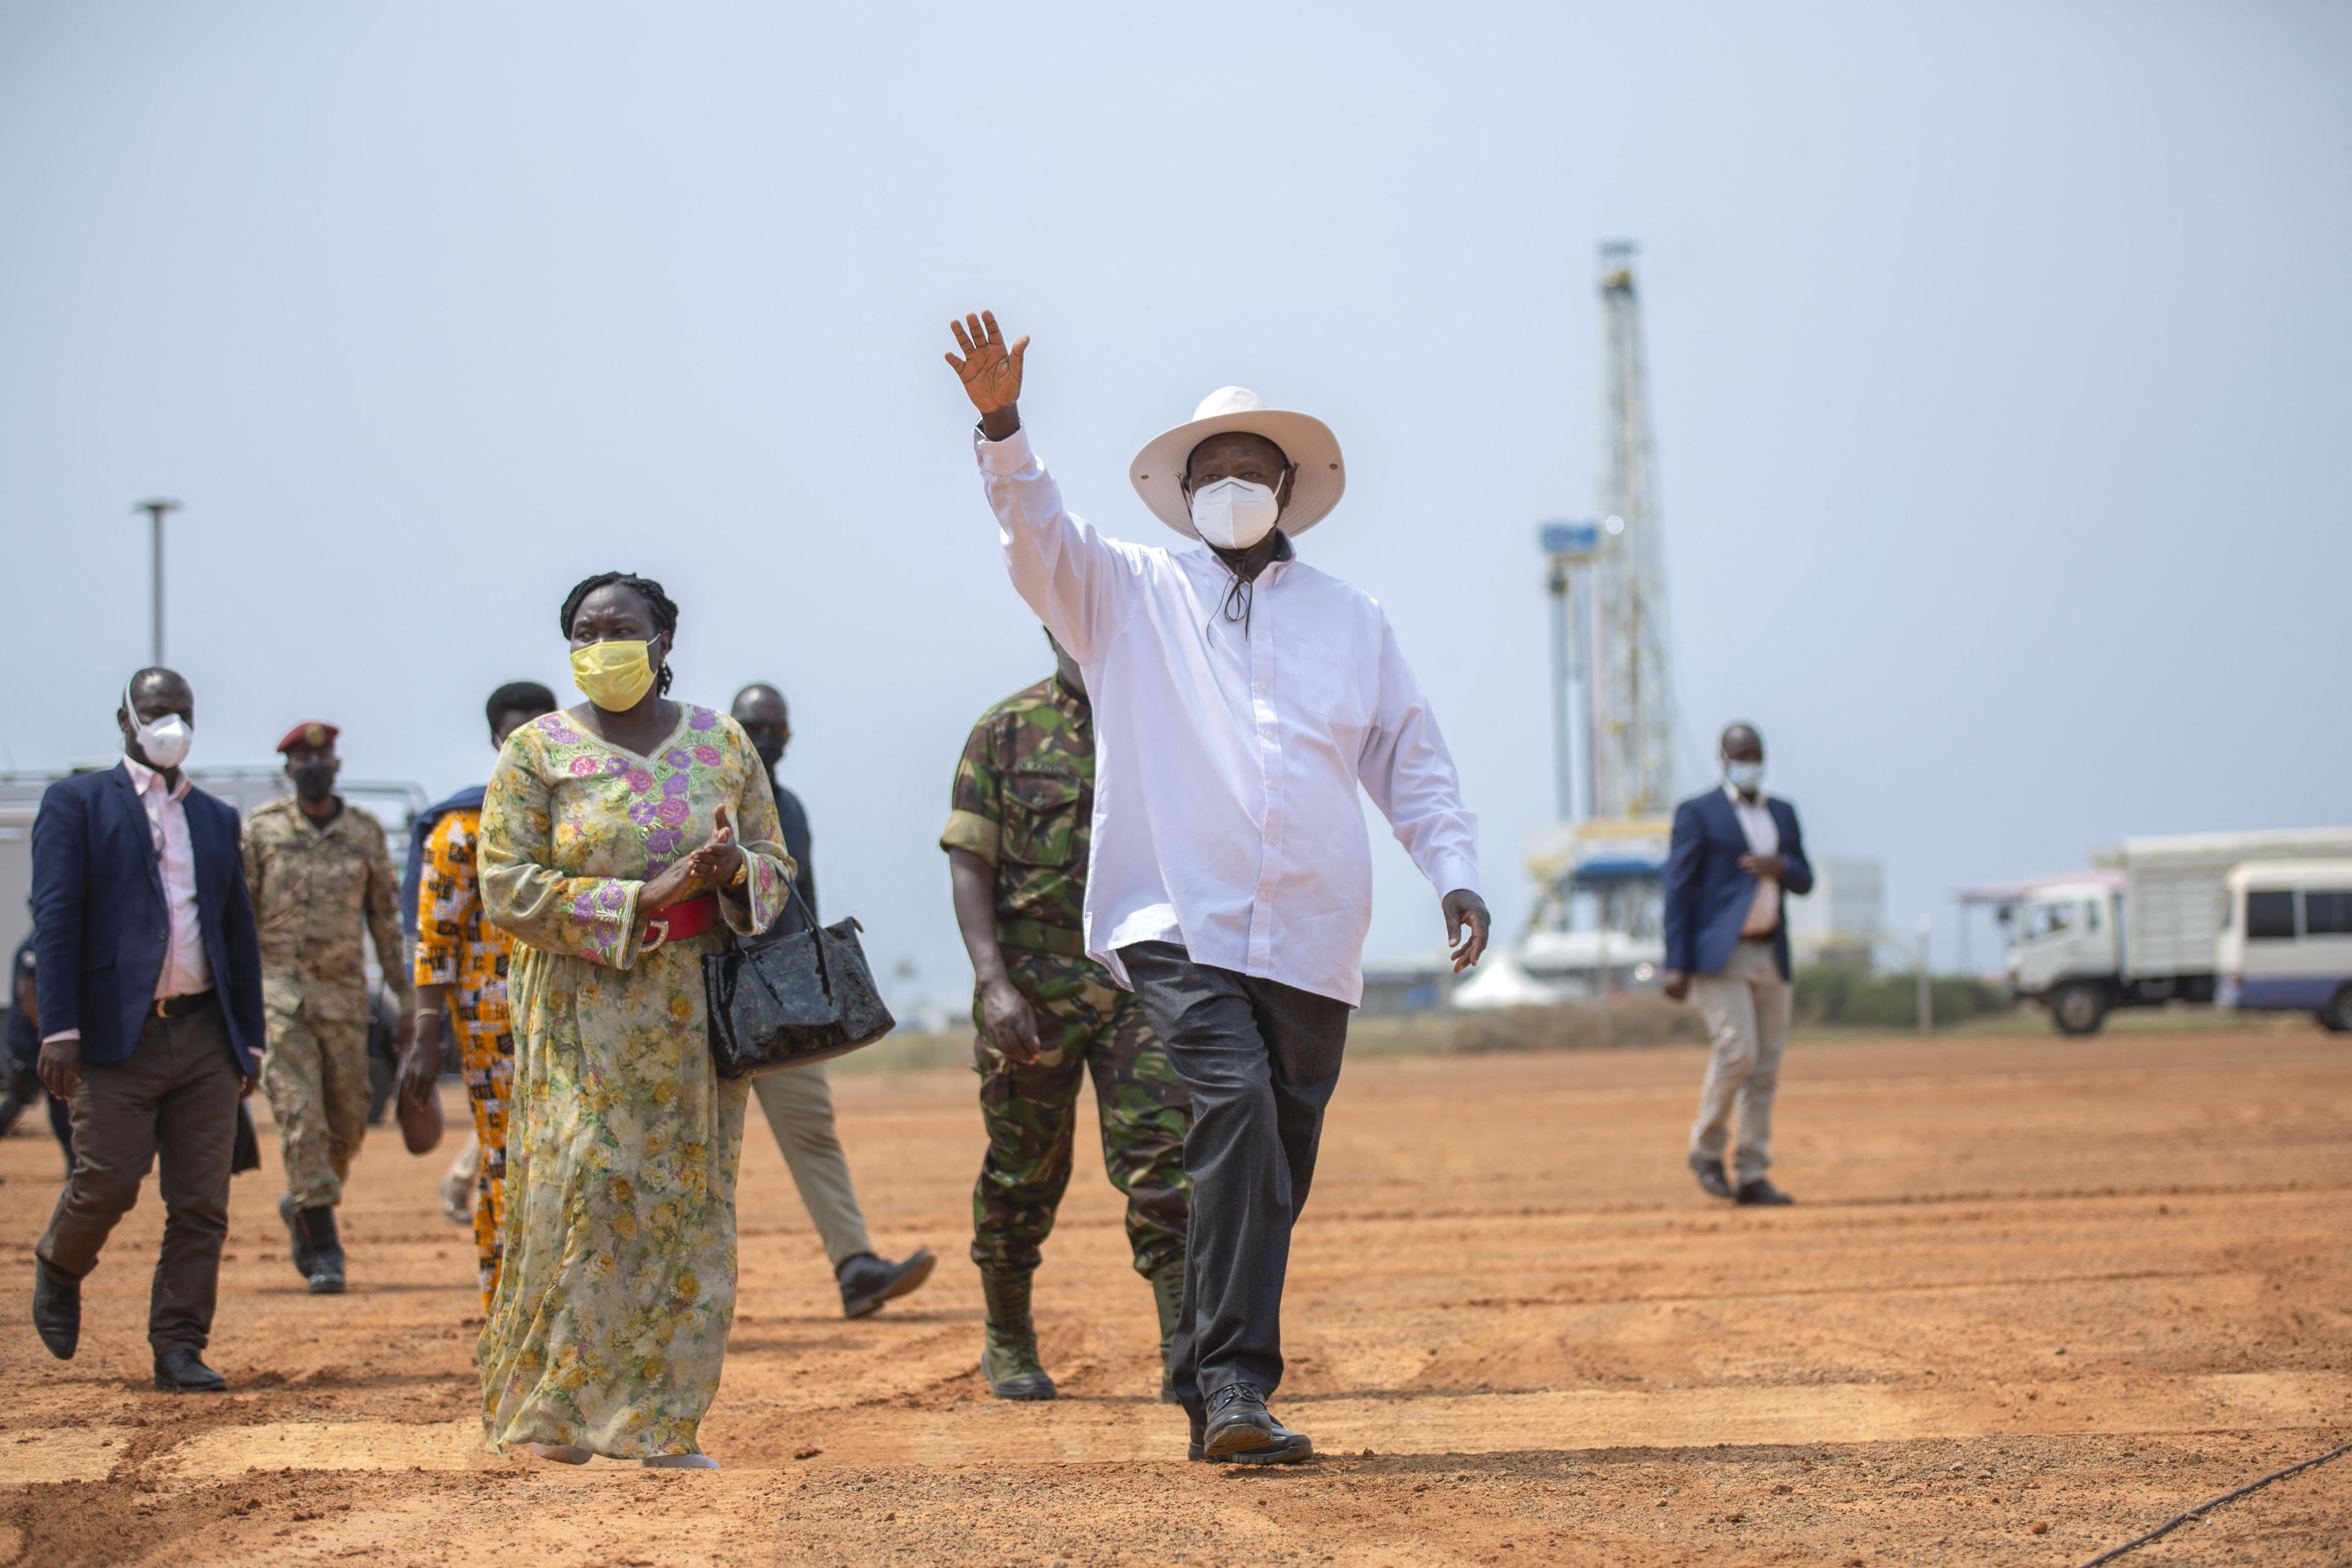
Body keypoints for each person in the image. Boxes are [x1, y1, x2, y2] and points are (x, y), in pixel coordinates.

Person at [944, 312, 1490, 1465]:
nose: (1231, 484)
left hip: (1312, 932)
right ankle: (1235, 1386)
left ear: (1286, 488)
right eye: (1211, 471)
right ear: (1181, 493)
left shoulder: (1352, 621)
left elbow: (1409, 756)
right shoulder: (1128, 596)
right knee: (1232, 1109)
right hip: (1172, 920)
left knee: (1273, 1165)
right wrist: (1003, 428)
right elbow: (1037, 539)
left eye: (1250, 469)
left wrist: (1451, 872)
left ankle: (1205, 1364)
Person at [476, 571, 794, 1470]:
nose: (602, 642)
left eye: (622, 627)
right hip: (580, 1010)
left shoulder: (721, 742)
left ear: (663, 640)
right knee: (584, 1188)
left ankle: (660, 1422)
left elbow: (778, 865)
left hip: (692, 1013)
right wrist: (641, 895)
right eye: (585, 629)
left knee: (686, 1209)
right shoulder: (537, 752)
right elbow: (507, 883)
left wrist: (735, 871)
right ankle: (554, 1415)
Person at [942, 628, 1191, 1402]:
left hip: (1142, 979)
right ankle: (1008, 1335)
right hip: (1032, 983)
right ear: (1051, 627)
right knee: (1025, 1168)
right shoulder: (1004, 729)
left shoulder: (1170, 725)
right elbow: (969, 862)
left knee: (1167, 1164)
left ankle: (1186, 1352)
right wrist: (993, 982)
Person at [27, 668, 265, 1392]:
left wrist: (248, 1038)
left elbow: (236, 933)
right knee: (108, 1181)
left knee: (201, 1202)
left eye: (184, 713)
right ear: (127, 718)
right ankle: (60, 1264)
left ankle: (179, 1345)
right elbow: (57, 920)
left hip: (202, 1037)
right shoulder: (77, 805)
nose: (173, 726)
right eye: (159, 712)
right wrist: (58, 1026)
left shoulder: (218, 818)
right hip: (110, 1039)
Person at [730, 682, 936, 1319]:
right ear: (730, 729)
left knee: (813, 1132)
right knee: (684, 1143)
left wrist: (816, 976)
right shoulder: (704, 796)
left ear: (787, 736)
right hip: (704, 1000)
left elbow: (800, 900)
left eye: (774, 727)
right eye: (751, 726)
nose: (764, 737)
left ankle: (855, 1267)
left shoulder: (787, 806)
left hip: (781, 1001)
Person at [392, 681, 557, 1313]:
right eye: (515, 732)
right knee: (507, 1162)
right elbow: (435, 940)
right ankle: (505, 1306)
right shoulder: (463, 828)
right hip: (494, 1029)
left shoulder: (580, 820)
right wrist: (426, 1035)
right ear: (496, 739)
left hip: (574, 1018)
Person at [243, 721, 413, 1294]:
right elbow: (238, 918)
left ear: (335, 765)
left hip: (344, 999)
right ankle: (323, 1246)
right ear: (289, 769)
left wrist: (408, 1001)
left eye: (323, 756)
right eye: (302, 758)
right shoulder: (261, 831)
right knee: (302, 1117)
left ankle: (302, 1200)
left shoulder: (363, 833)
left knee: (349, 1119)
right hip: (279, 996)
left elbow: (386, 924)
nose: (314, 765)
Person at [1660, 723, 1813, 1206]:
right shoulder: (1699, 812)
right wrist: (1675, 961)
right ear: (1724, 758)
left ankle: (1752, 1171)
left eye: (1756, 754)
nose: (1750, 762)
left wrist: (1781, 867)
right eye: (1741, 754)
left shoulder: (1782, 814)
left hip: (1771, 952)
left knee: (1765, 1067)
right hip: (1719, 955)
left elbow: (1805, 876)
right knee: (1737, 1050)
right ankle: (1706, 1149)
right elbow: (1678, 889)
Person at [4, 923, 74, 1172]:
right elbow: (26, 994)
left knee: (59, 1101)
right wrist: (51, 1034)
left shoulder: (52, 942)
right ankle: (74, 1165)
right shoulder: (32, 945)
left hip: (43, 1039)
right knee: (20, 1099)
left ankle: (73, 1166)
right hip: (29, 1041)